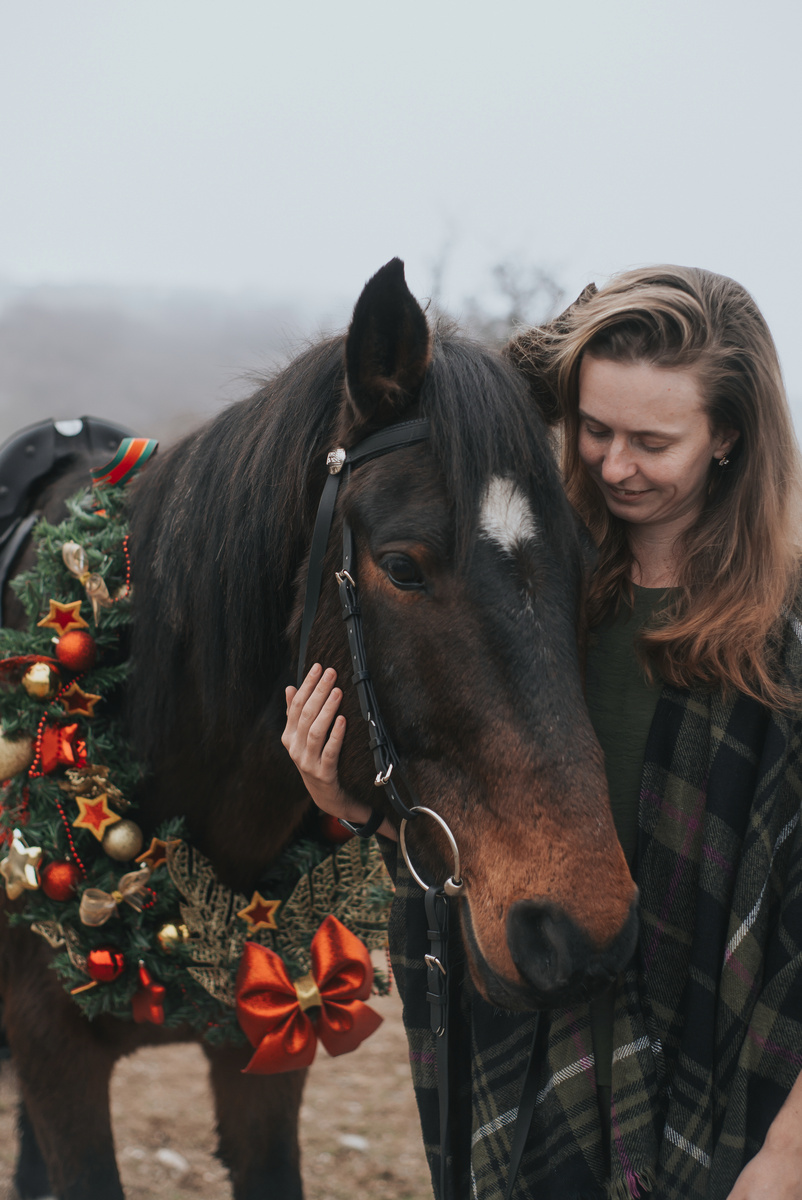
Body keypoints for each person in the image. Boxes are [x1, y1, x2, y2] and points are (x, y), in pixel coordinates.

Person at [282, 266, 802, 1200]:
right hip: (535, 1052)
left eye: (653, 441)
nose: (612, 465)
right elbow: (491, 816)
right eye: (594, 430)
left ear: (727, 437)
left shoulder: (784, 635)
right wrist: (352, 803)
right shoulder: (535, 585)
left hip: (728, 1054)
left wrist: (791, 1152)